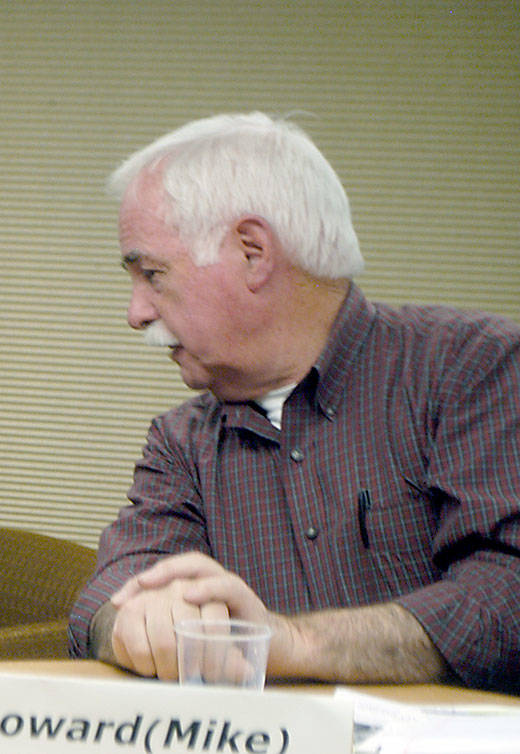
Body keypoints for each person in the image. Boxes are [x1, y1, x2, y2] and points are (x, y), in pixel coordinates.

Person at [68, 112, 520, 693]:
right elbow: (106, 597)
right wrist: (135, 620)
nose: (136, 313)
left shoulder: (473, 367)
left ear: (253, 252)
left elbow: (507, 595)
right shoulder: (182, 442)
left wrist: (288, 643)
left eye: (153, 274)